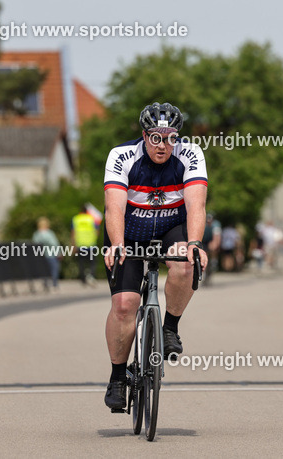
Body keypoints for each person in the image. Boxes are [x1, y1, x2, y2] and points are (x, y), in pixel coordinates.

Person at [102, 102, 208, 411]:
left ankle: (170, 327)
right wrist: (118, 243)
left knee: (185, 261)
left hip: (171, 226)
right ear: (144, 135)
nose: (163, 145)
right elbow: (114, 207)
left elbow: (196, 206)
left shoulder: (190, 155)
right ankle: (118, 377)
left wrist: (195, 243)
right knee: (124, 304)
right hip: (130, 229)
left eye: (170, 137)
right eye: (156, 137)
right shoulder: (122, 156)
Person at [72, 204, 99, 286]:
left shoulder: (76, 219)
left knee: (81, 263)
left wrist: (73, 244)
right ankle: (91, 276)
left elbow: (73, 232)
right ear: (87, 211)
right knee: (92, 262)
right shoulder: (92, 219)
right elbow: (97, 231)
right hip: (91, 244)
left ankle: (83, 280)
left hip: (80, 244)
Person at [32, 216, 60, 290]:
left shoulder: (36, 234)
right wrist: (59, 252)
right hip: (51, 254)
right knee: (54, 268)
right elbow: (54, 244)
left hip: (41, 255)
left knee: (44, 270)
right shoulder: (49, 233)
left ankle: (46, 283)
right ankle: (54, 283)